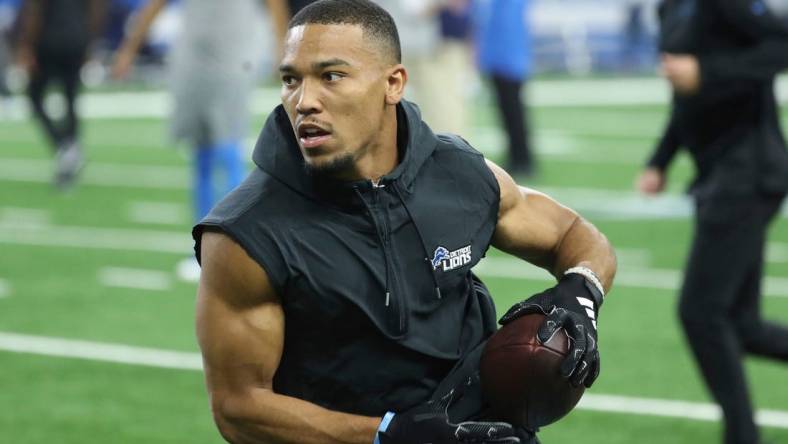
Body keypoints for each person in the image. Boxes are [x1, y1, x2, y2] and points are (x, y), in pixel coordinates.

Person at [194, 1, 616, 443]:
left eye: (331, 76)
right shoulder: (245, 232)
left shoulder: (460, 173)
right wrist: (389, 435)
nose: (304, 101)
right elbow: (238, 407)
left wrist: (579, 296)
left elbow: (575, 237)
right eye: (290, 79)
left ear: (393, 83)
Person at [636, 1, 788, 443]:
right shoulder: (667, 8)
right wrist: (660, 160)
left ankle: (742, 435)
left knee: (701, 313)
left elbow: (782, 45)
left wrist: (709, 71)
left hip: (749, 172)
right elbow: (684, 94)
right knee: (742, 326)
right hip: (716, 175)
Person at [112, 0, 287, 279]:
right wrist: (128, 49)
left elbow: (275, 5)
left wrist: (282, 50)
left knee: (229, 151)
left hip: (235, 53)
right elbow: (155, 5)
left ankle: (242, 247)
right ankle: (204, 249)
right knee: (201, 155)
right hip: (193, 54)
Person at [16, 0, 104, 189]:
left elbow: (35, 10)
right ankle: (70, 149)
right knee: (70, 99)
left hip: (49, 41)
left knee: (34, 97)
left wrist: (27, 46)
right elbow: (96, 8)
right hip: (77, 38)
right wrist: (90, 39)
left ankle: (64, 146)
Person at [472, 0, 534, 178]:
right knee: (507, 113)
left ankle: (522, 159)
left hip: (508, 59)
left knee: (514, 113)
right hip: (500, 58)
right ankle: (517, 157)